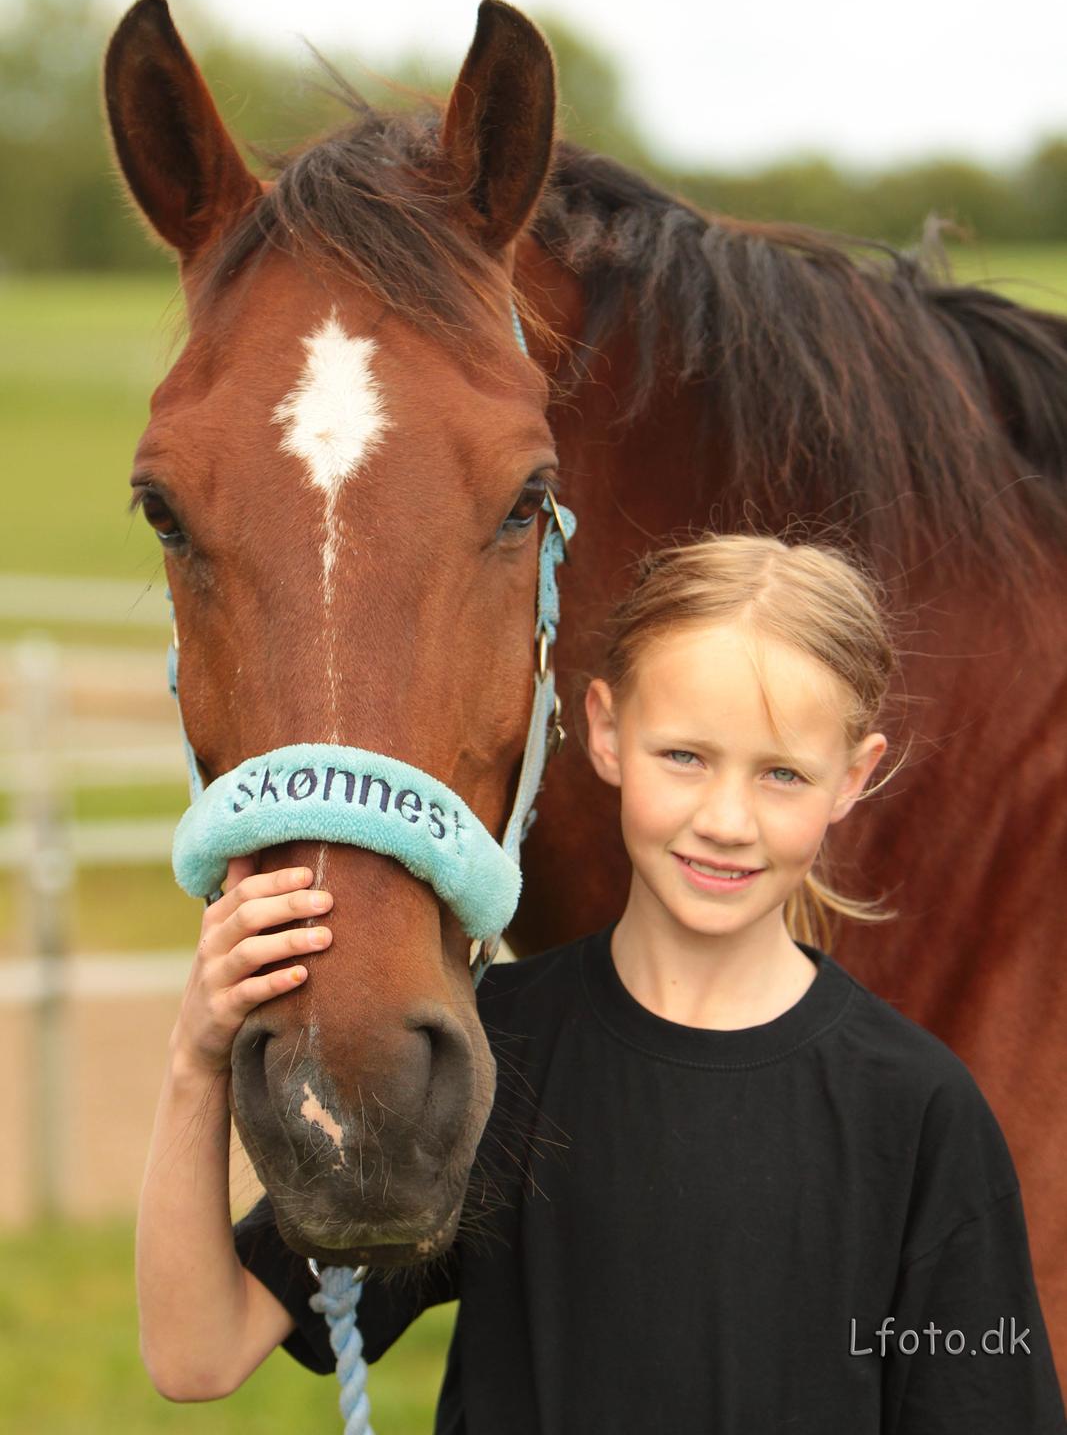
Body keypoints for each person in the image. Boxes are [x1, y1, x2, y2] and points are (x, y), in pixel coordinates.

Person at [136, 533, 1065, 1432]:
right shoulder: (492, 1053)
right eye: (685, 757)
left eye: (781, 774)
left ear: (852, 778)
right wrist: (195, 1060)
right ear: (606, 732)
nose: (726, 819)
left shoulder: (915, 1112)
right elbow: (197, 1355)